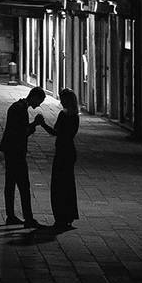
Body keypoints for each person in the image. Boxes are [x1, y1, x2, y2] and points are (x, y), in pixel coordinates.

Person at [0, 86, 46, 228]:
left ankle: (11, 215)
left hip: (9, 150)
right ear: (34, 97)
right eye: (40, 101)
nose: (39, 105)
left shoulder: (16, 106)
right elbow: (22, 132)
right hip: (16, 151)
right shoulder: (21, 110)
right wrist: (35, 124)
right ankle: (28, 218)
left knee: (10, 183)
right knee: (24, 185)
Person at [35, 88, 80, 230]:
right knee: (68, 185)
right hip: (70, 151)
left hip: (62, 152)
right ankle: (69, 216)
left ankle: (60, 216)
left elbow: (56, 132)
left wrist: (42, 124)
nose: (60, 101)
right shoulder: (76, 116)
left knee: (58, 185)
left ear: (67, 100)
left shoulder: (64, 115)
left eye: (62, 98)